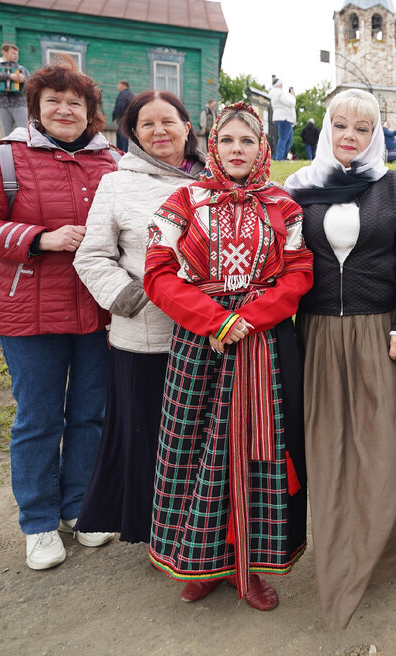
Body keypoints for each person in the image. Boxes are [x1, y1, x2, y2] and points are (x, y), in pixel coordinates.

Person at [284, 88, 396, 629]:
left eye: (361, 129)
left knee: (391, 442)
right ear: (325, 130)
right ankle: (342, 566)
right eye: (339, 125)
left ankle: (394, 544)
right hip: (318, 333)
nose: (349, 136)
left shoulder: (393, 186)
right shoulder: (298, 189)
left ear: (374, 136)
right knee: (330, 450)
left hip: (381, 332)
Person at [143, 102, 312, 610]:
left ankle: (250, 569)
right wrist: (217, 320)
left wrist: (250, 318)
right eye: (229, 141)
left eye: (249, 141)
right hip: (201, 346)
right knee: (196, 454)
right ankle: (201, 563)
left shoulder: (283, 206)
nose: (238, 150)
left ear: (263, 148)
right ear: (213, 145)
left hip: (262, 346)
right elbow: (157, 274)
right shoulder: (183, 201)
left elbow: (300, 273)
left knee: (255, 453)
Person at [0, 57, 119, 570]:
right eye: (54, 102)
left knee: (90, 415)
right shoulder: (6, 157)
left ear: (91, 111)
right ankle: (40, 521)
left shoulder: (109, 162)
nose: (65, 111)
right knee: (39, 418)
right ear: (36, 109)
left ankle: (78, 509)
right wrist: (38, 239)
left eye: (76, 103)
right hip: (29, 311)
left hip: (97, 308)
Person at [72, 91, 205, 543]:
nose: (159, 131)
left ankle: (203, 528)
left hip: (210, 338)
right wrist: (134, 296)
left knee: (203, 439)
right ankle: (158, 533)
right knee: (151, 439)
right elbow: (91, 256)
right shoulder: (117, 184)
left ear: (188, 127)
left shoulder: (217, 182)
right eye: (146, 125)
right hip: (148, 337)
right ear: (132, 134)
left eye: (168, 121)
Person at [0, 43, 30, 136]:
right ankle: (10, 150)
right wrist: (9, 76)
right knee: (7, 133)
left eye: (17, 54)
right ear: (4, 52)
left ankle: (24, 150)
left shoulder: (22, 69)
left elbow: (31, 84)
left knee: (25, 131)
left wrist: (24, 79)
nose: (16, 56)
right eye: (13, 53)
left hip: (19, 103)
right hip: (1, 103)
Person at [270, 78, 296, 161]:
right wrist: (292, 95)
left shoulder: (275, 93)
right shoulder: (279, 93)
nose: (282, 86)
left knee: (289, 139)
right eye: (281, 84)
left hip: (282, 118)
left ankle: (282, 156)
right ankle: (279, 157)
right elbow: (291, 103)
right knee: (284, 138)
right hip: (284, 118)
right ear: (278, 84)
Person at [111, 80, 135, 151]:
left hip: (122, 118)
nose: (118, 87)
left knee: (122, 138)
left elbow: (120, 106)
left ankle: (122, 154)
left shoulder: (123, 94)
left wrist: (115, 116)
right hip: (127, 119)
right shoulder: (130, 94)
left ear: (124, 86)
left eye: (119, 85)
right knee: (125, 137)